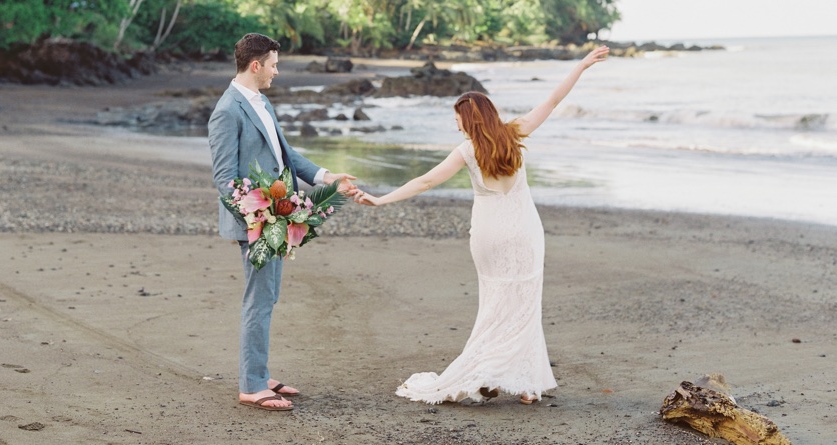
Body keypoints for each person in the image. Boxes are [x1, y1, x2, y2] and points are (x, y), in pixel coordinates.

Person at [354, 46, 610, 405]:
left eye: (457, 118)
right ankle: (525, 385)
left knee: (494, 303)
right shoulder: (515, 133)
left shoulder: (466, 150)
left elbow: (426, 181)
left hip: (489, 235)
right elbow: (552, 100)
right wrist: (581, 66)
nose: (455, 123)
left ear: (468, 119)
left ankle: (490, 371)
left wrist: (381, 199)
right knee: (524, 303)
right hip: (523, 231)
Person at [208, 33, 357, 412]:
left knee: (268, 297)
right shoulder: (227, 111)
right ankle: (252, 385)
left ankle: (258, 372)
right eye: (273, 64)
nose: (277, 70)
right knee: (258, 301)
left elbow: (286, 155)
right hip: (256, 223)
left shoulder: (262, 102)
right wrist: (260, 217)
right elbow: (225, 179)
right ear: (255, 65)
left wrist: (328, 177)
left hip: (277, 216)